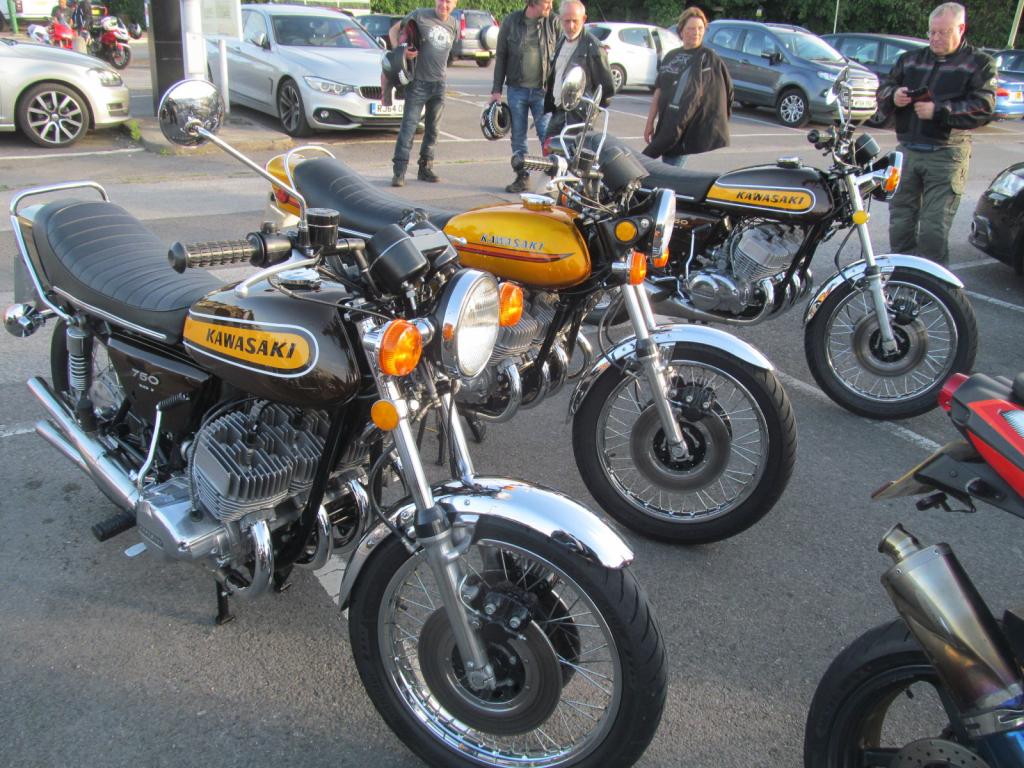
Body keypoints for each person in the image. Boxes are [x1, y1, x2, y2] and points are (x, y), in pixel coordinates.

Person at [876, 2, 995, 265]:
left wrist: (939, 110)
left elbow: (984, 107)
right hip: (907, 151)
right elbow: (883, 88)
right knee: (900, 223)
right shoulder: (910, 60)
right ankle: (903, 277)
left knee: (933, 229)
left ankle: (932, 284)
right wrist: (893, 95)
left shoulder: (979, 64)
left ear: (961, 29)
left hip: (946, 154)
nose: (936, 38)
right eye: (932, 32)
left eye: (943, 32)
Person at [642, 7, 732, 167]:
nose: (696, 32)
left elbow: (720, 94)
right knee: (660, 167)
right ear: (681, 31)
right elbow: (659, 90)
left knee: (669, 170)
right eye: (691, 28)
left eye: (700, 28)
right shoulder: (671, 56)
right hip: (667, 123)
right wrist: (650, 123)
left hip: (683, 130)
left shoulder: (707, 58)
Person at [489, 0, 558, 193]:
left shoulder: (554, 22)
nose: (550, 6)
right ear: (533, 2)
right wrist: (496, 91)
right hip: (516, 89)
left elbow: (565, 51)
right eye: (547, 2)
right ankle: (522, 177)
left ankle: (553, 179)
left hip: (543, 91)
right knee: (518, 136)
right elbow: (501, 56)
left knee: (547, 135)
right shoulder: (511, 22)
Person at [387, 0, 458, 187]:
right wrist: (399, 51)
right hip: (418, 83)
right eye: (442, 0)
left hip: (439, 84)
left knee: (433, 130)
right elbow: (394, 31)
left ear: (455, 4)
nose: (444, 5)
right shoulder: (420, 15)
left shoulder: (454, 24)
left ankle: (425, 168)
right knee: (408, 129)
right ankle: (399, 172)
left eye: (449, 2)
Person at [542, 0, 614, 141]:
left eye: (575, 21)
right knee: (549, 149)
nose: (571, 26)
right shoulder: (561, 40)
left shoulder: (594, 47)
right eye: (567, 21)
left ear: (584, 19)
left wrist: (589, 112)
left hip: (578, 117)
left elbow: (607, 89)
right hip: (558, 111)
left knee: (571, 153)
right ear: (560, 19)